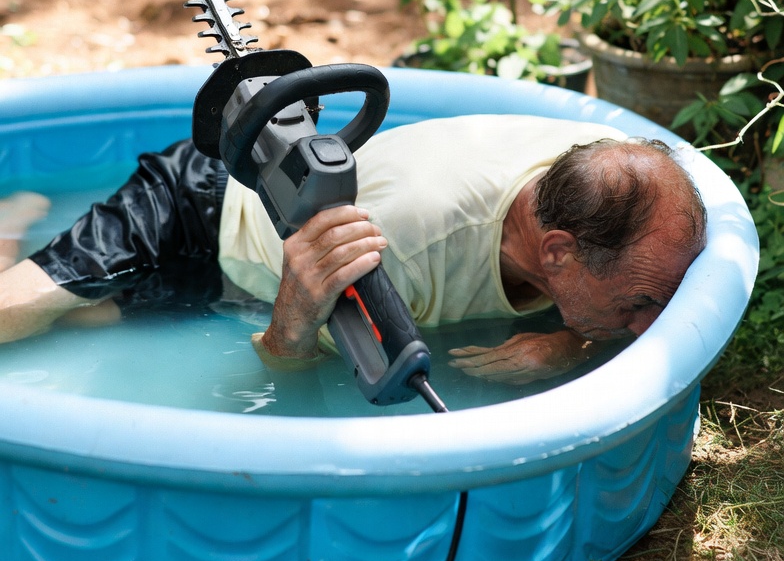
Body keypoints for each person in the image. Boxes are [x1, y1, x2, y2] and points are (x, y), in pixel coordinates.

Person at [0, 114, 706, 386]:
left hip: (248, 262)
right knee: (19, 311)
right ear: (558, 253)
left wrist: (571, 343)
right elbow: (286, 369)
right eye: (640, 302)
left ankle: (19, 226)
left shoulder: (602, 168)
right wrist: (296, 316)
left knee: (86, 319)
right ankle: (18, 224)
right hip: (197, 211)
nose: (653, 323)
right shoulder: (396, 246)